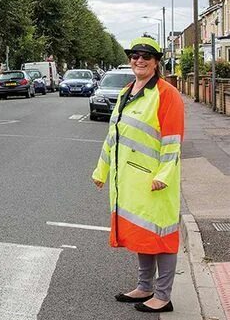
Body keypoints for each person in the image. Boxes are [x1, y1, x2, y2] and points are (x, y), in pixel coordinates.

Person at [92, 36, 184, 314]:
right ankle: (145, 287)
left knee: (162, 236)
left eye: (146, 56)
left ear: (156, 62)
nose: (139, 60)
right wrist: (101, 170)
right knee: (143, 234)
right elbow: (113, 136)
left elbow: (172, 140)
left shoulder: (167, 94)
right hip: (130, 182)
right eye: (135, 56)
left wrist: (164, 175)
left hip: (155, 181)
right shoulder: (126, 92)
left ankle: (163, 296)